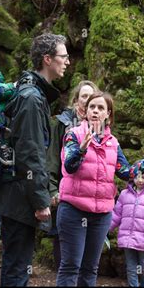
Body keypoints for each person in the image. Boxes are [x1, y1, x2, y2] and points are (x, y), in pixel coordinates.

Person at [0, 33, 70, 286]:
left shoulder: (30, 92)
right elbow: (30, 153)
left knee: (17, 265)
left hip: (16, 195)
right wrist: (40, 200)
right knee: (17, 269)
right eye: (63, 57)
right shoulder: (32, 98)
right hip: (20, 198)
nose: (67, 62)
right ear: (47, 59)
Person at [56, 91, 144, 287]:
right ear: (85, 112)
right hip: (73, 210)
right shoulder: (73, 135)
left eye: (101, 108)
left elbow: (127, 172)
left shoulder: (113, 143)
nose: (95, 111)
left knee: (91, 268)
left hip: (101, 215)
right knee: (70, 266)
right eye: (92, 107)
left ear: (108, 115)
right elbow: (69, 166)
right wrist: (81, 149)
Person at [46, 80, 99, 270]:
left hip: (91, 200)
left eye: (91, 97)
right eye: (84, 96)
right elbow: (52, 160)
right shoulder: (62, 124)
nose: (87, 101)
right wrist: (53, 191)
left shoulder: (99, 128)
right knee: (66, 254)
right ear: (76, 101)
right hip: (66, 196)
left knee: (87, 259)